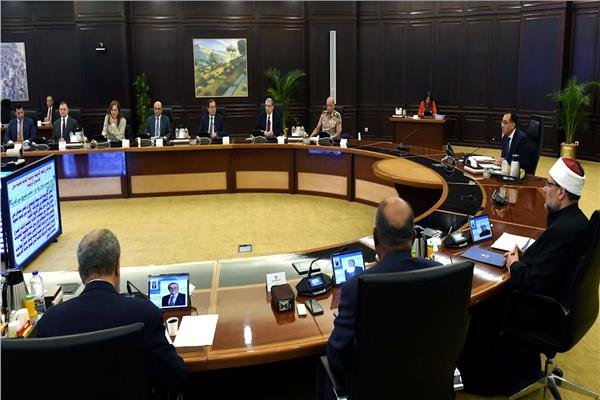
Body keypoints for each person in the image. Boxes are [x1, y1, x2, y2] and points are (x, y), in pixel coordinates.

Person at [458, 157, 588, 396]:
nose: (544, 189)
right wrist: (526, 256)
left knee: (483, 302)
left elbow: (530, 282)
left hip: (544, 313)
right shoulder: (576, 221)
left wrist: (515, 264)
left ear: (561, 192)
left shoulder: (563, 230)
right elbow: (550, 262)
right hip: (562, 306)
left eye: (549, 185)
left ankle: (488, 381)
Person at [36, 229, 187, 397]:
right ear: (117, 266)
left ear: (80, 272)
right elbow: (175, 377)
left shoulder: (49, 322)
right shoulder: (145, 314)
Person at [325, 197, 441, 396]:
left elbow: (338, 357)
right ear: (414, 236)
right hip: (428, 385)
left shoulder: (357, 285)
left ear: (375, 236)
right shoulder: (438, 273)